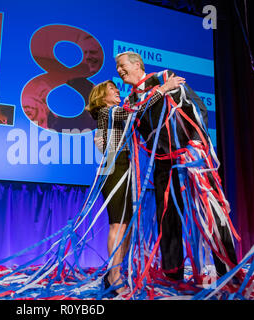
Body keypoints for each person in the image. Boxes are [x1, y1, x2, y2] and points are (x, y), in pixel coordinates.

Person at [115, 51, 238, 281]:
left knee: (211, 211)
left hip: (191, 157)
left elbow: (197, 107)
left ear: (137, 64)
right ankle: (173, 274)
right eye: (117, 68)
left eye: (122, 66)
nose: (119, 71)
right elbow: (135, 116)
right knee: (166, 217)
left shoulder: (163, 77)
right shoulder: (131, 101)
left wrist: (198, 143)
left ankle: (228, 270)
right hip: (163, 163)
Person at [87, 79, 177, 294]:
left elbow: (133, 112)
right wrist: (162, 89)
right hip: (114, 167)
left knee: (125, 224)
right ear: (101, 96)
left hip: (125, 165)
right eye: (112, 89)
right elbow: (136, 111)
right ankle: (114, 275)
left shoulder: (115, 113)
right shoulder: (105, 112)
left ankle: (116, 273)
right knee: (117, 223)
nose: (117, 91)